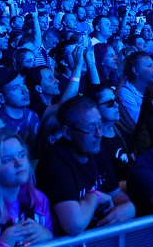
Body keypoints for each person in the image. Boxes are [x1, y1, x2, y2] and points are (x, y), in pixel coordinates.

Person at [35, 96, 135, 236]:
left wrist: (129, 207)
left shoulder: (97, 150)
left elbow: (116, 195)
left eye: (100, 125)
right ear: (67, 133)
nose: (98, 134)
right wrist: (95, 197)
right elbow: (74, 225)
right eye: (90, 128)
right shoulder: (55, 163)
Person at [0, 68, 40, 153]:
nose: (25, 90)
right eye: (15, 88)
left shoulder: (32, 115)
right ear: (1, 98)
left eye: (23, 83)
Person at [116, 52, 153, 137]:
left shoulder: (150, 89)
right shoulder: (125, 94)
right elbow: (139, 124)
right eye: (149, 66)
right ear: (135, 71)